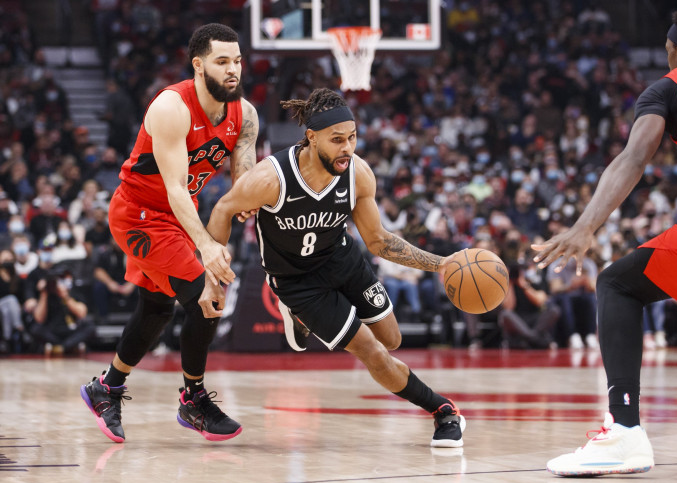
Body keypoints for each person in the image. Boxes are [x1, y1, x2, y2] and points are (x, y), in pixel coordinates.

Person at [531, 5, 677, 476]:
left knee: (619, 284)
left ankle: (623, 432)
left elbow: (633, 158)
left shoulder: (669, 86)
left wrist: (586, 225)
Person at [205, 88, 466, 448]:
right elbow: (221, 210)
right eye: (338, 140)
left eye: (353, 138)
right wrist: (214, 277)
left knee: (392, 340)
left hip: (342, 260)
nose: (347, 148)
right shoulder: (272, 178)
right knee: (373, 352)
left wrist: (443, 263)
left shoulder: (358, 174)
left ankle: (299, 318)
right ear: (312, 138)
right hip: (298, 282)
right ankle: (443, 411)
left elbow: (378, 241)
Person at [80, 23, 260, 444]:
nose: (233, 69)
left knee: (157, 309)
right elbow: (176, 187)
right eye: (222, 61)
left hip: (179, 216)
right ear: (198, 66)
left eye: (237, 61)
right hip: (140, 215)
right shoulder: (171, 107)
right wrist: (207, 246)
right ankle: (193, 398)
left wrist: (249, 199)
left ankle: (105, 389)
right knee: (207, 296)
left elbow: (244, 170)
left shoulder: (244, 113)